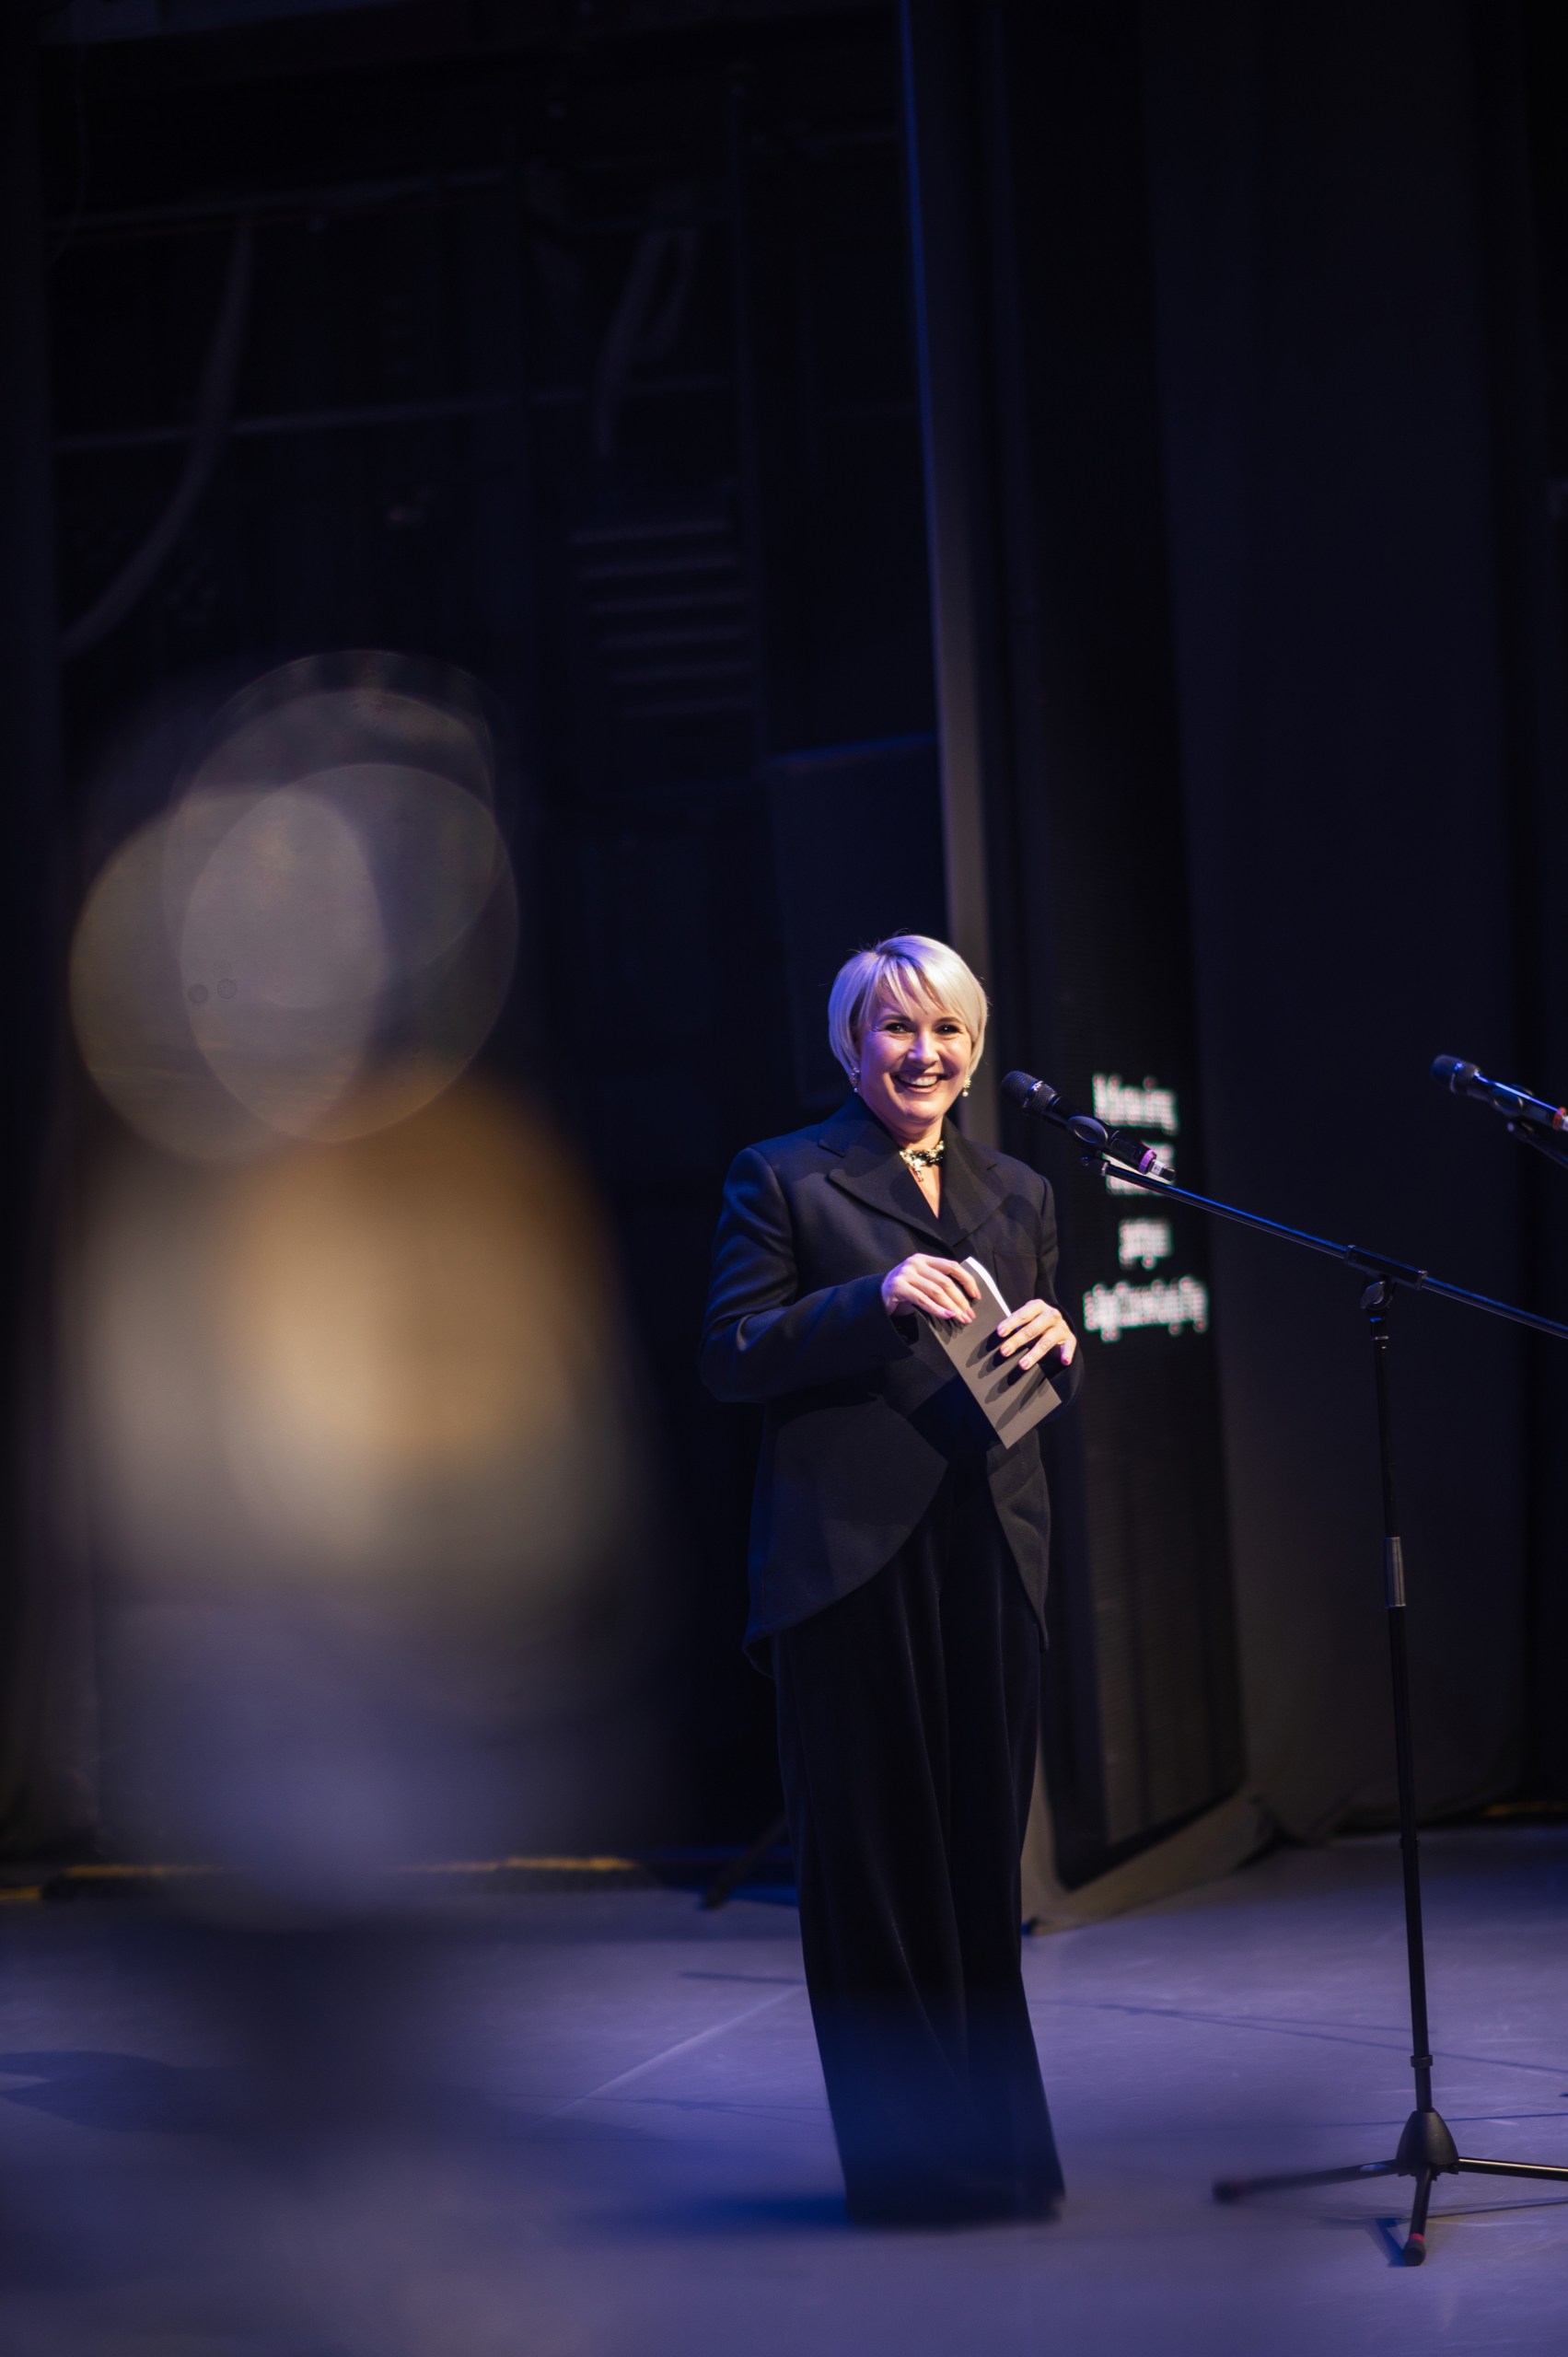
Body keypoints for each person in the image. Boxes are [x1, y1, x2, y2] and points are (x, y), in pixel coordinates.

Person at [701, 934, 1083, 2225]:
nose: (925, 1053)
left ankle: (1002, 2158)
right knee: (876, 1881)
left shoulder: (1020, 1190)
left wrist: (1064, 1346)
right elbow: (732, 1353)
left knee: (978, 1872)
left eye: (947, 1030)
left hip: (991, 1550)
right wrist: (869, 1299)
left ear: (975, 1050)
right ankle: (914, 2176)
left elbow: (1031, 1378)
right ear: (851, 1046)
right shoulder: (784, 1176)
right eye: (897, 1029)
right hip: (846, 1567)